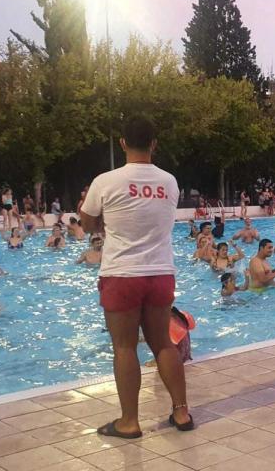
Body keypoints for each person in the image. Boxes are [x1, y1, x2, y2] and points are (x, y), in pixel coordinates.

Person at [78, 116, 193, 438]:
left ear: (123, 143)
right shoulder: (170, 182)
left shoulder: (106, 181)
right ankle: (181, 412)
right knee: (163, 345)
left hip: (122, 273)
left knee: (125, 347)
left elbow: (87, 224)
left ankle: (129, 421)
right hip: (160, 272)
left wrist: (98, 221)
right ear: (154, 144)